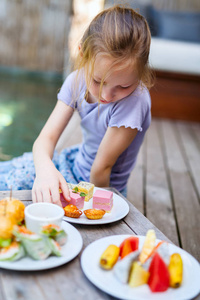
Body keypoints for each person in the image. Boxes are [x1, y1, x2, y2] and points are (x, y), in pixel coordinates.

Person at [0, 5, 154, 207]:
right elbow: (44, 140)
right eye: (98, 81)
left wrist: (97, 213)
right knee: (8, 171)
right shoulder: (76, 81)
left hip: (97, 187)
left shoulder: (135, 101)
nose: (106, 95)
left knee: (14, 187)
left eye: (124, 85)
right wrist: (46, 171)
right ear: (82, 54)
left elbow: (101, 169)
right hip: (71, 163)